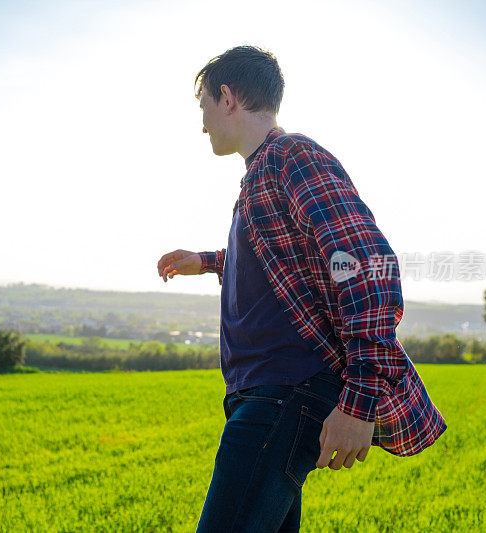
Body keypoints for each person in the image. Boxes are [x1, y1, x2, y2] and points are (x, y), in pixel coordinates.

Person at [156, 46, 447, 532]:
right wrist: (208, 262)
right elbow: (286, 264)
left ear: (227, 98)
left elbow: (365, 265)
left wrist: (359, 401)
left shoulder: (293, 156)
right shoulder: (263, 172)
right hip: (267, 395)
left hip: (285, 393)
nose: (202, 122)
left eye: (204, 104)